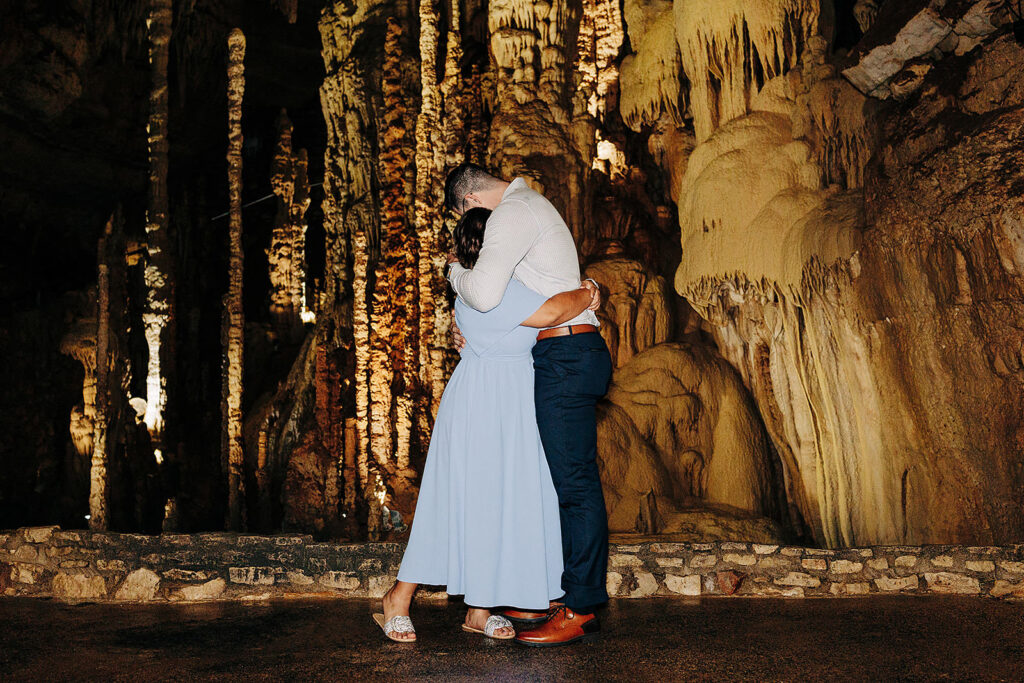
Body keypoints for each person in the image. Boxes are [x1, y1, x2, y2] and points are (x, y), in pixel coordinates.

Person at [373, 207, 600, 643]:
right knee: (457, 500)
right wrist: (590, 290)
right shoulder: (490, 291)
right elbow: (555, 312)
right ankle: (397, 599)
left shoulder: (494, 287)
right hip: (483, 402)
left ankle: (480, 609)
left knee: (495, 503)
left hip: (513, 402)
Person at [444, 164, 613, 647]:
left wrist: (453, 271)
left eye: (464, 213)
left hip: (565, 353)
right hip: (566, 350)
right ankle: (570, 593)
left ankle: (580, 606)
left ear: (469, 200)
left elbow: (485, 291)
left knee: (575, 485)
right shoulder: (530, 206)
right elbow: (514, 303)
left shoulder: (512, 212)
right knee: (565, 480)